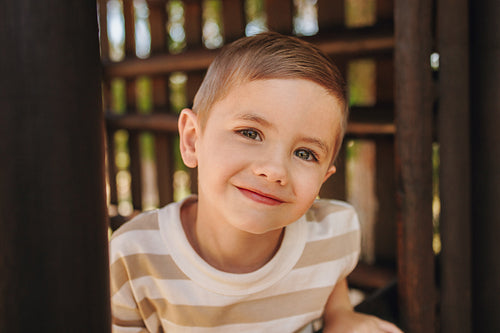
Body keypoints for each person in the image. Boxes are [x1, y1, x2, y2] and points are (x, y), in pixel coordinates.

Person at [109, 32, 402, 333]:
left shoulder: (330, 234)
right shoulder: (135, 258)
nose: (275, 170)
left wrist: (341, 316)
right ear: (193, 140)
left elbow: (330, 274)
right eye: (250, 133)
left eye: (305, 153)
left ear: (323, 178)